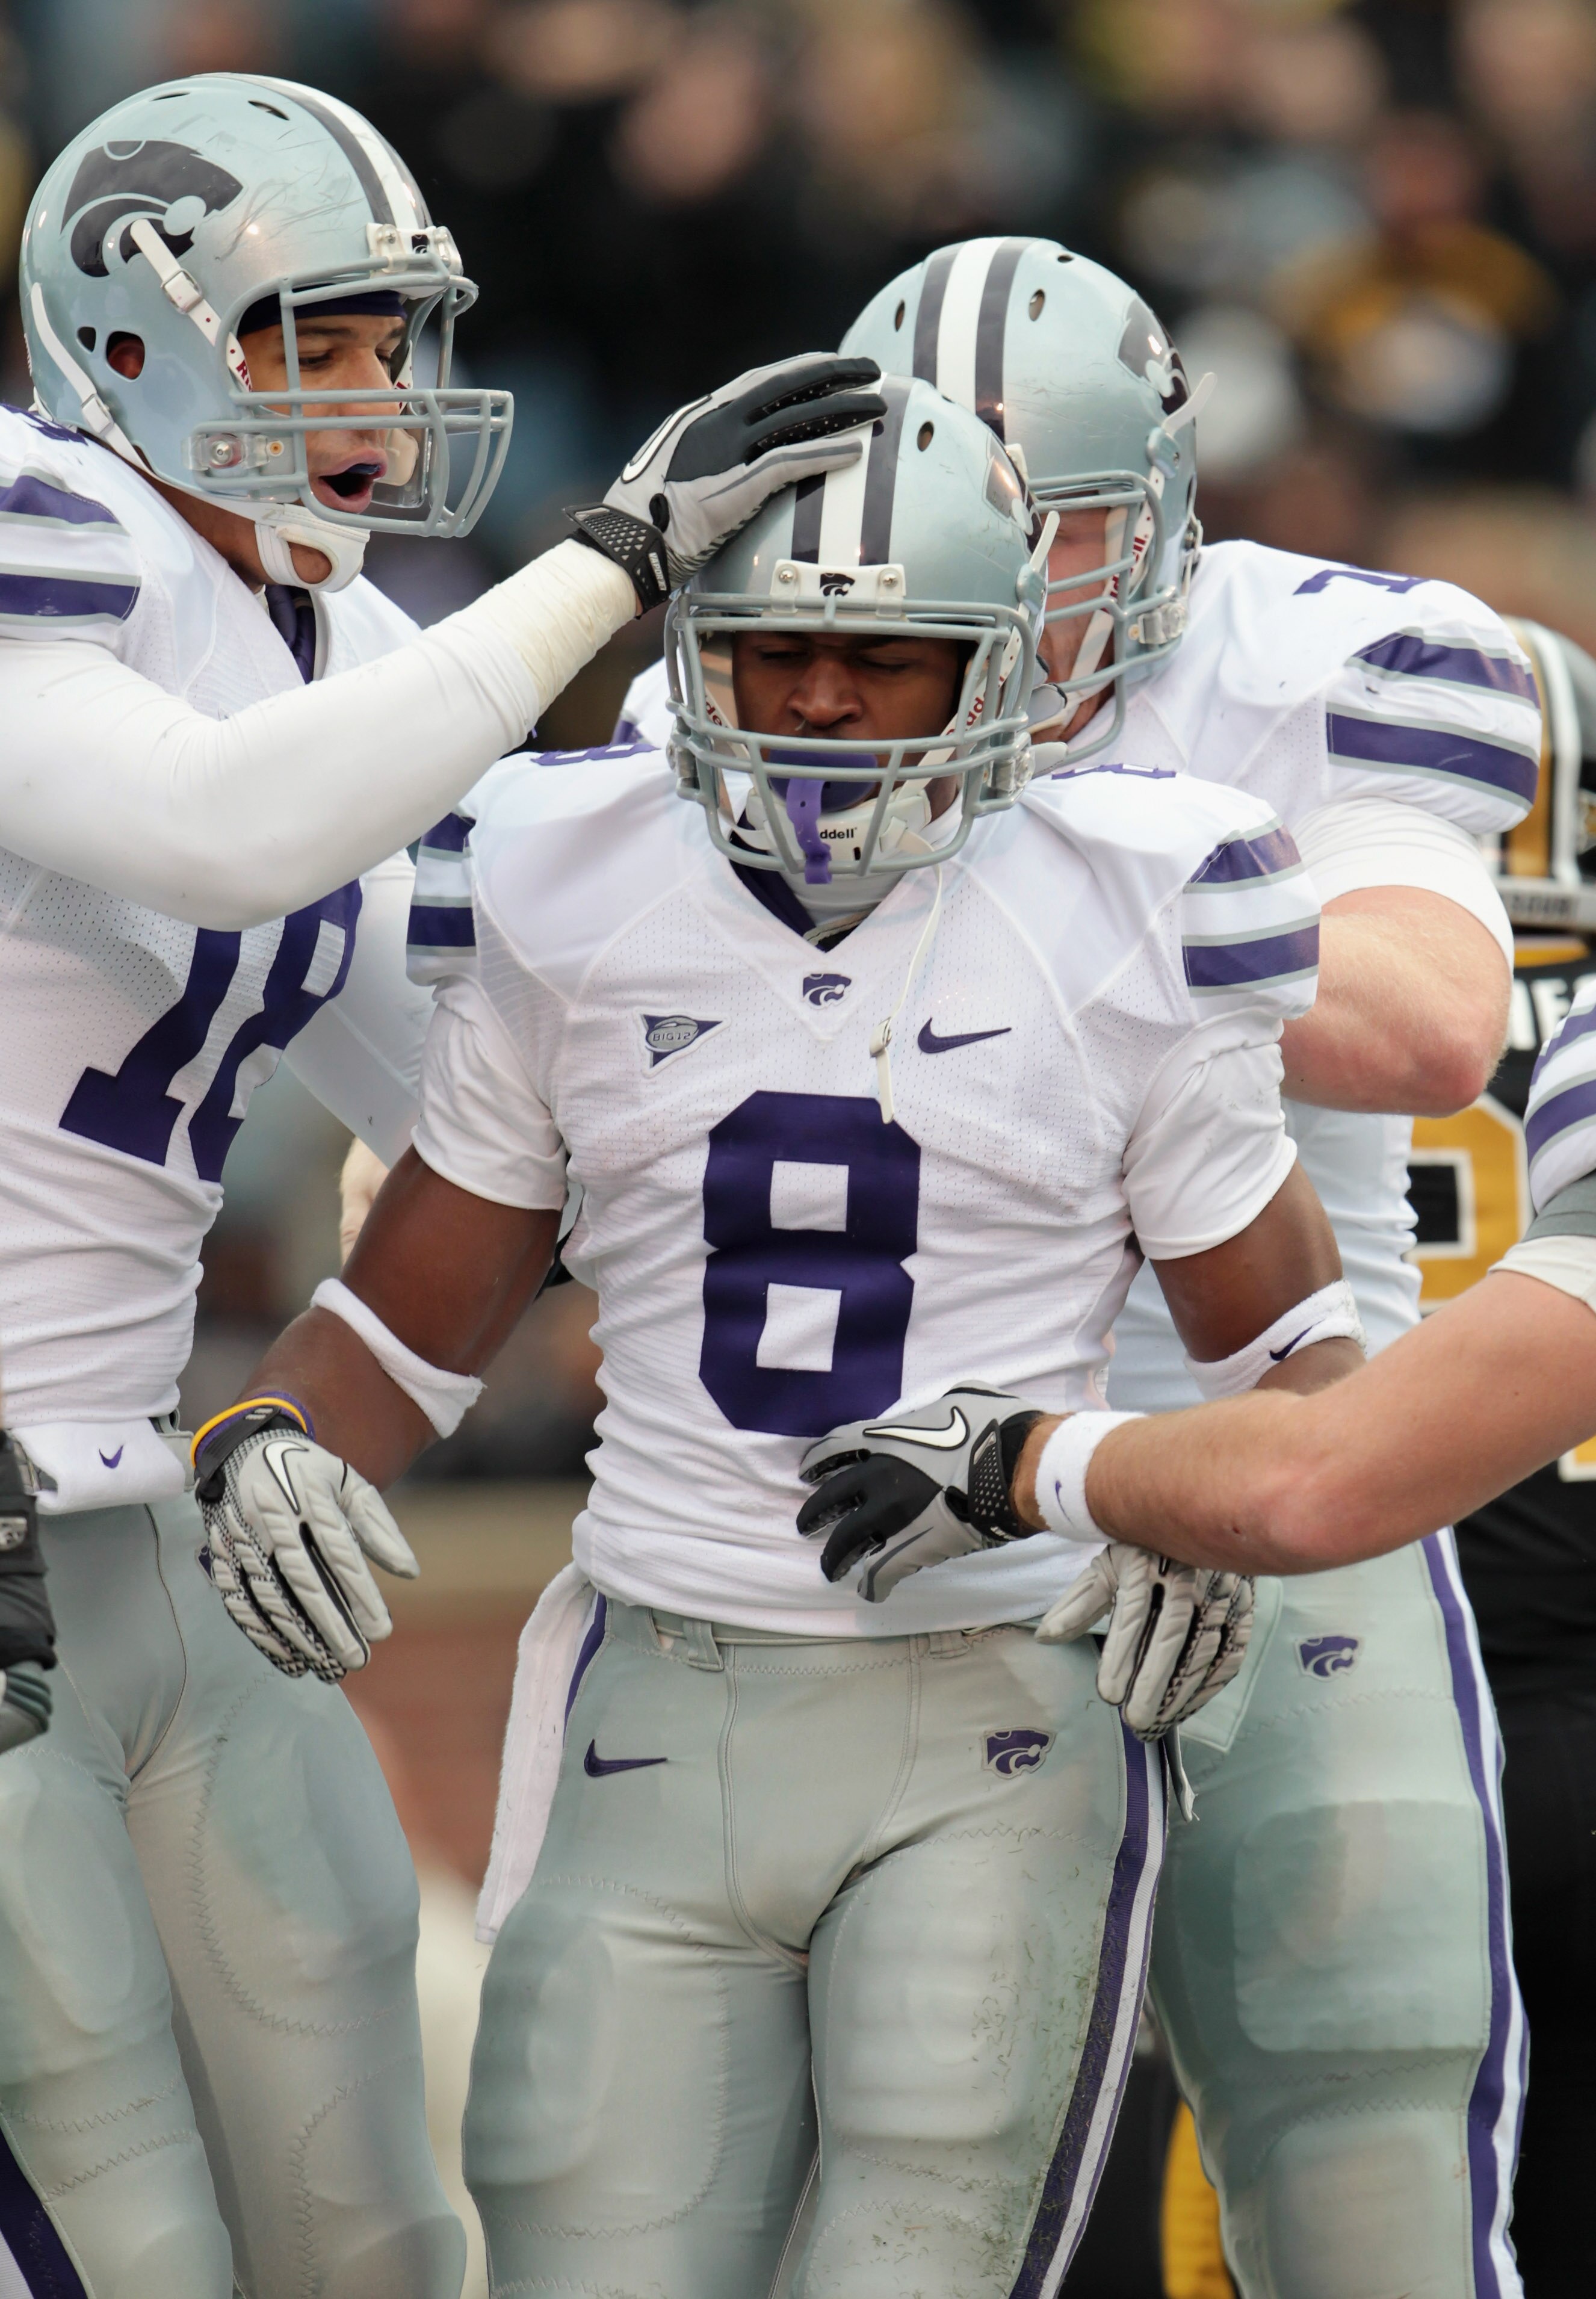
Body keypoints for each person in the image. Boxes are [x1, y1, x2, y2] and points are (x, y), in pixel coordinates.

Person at [195, 382, 1359, 2297]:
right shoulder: (566, 878)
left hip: (993, 1709)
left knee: (915, 2248)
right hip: (656, 1692)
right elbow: (400, 1332)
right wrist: (271, 1436)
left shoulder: (1134, 900)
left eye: (879, 659)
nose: (818, 699)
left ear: (996, 666)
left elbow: (1297, 1365)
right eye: (774, 647)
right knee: (577, 2240)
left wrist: (1186, 1511)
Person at [0, 67, 879, 2297]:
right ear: (125, 346)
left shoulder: (350, 652)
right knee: (118, 2238)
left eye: (395, 337)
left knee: (373, 2228)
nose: (379, 396)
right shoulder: (39, 527)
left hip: (134, 1515)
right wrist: (596, 574)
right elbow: (223, 830)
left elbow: (522, 1085)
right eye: (314, 338)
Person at [820, 237, 1534, 2299]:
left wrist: (1053, 908)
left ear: (1162, 510)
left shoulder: (1332, 654)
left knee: (1360, 2140)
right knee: (896, 2180)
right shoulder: (785, 650)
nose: (1012, 580)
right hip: (903, 1485)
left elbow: (1422, 1024)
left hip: (1273, 1452)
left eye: (1059, 532)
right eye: (965, 525)